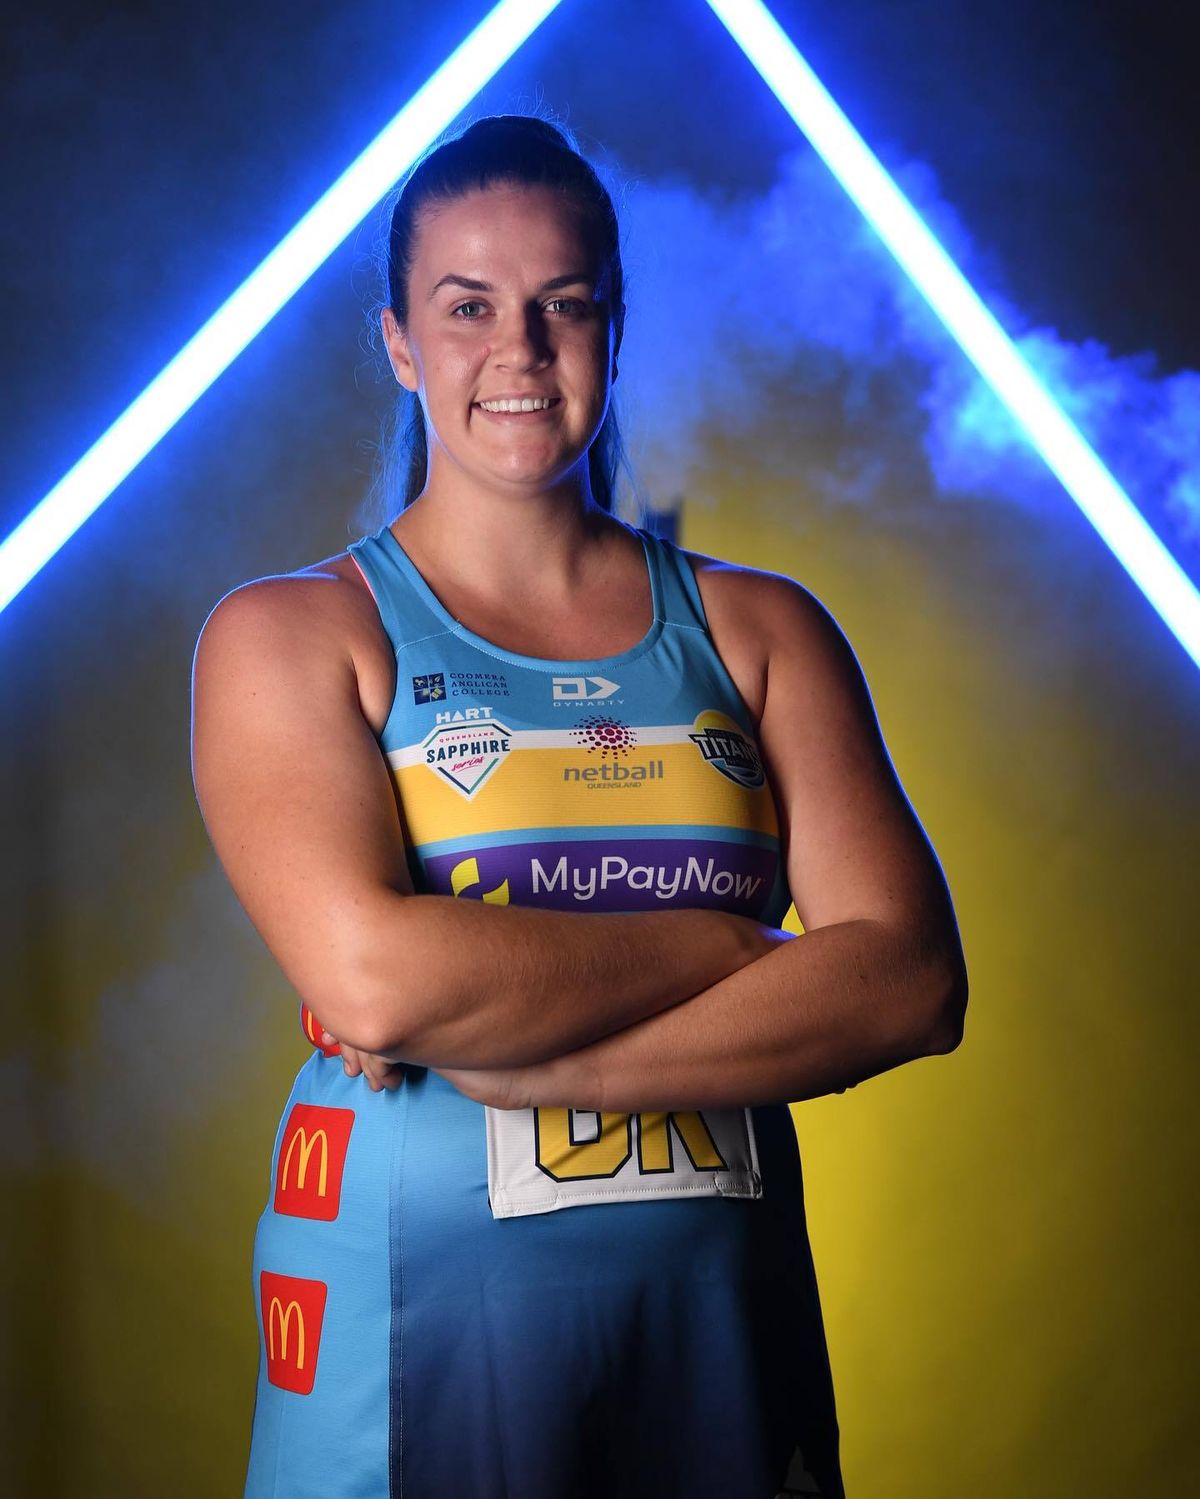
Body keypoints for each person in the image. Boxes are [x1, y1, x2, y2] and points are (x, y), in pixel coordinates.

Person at [190, 112, 967, 1499]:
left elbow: (909, 982)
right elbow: (375, 982)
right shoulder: (295, 634)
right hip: (415, 1324)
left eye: (564, 304)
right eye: (468, 307)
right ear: (399, 343)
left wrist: (546, 1063)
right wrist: (732, 950)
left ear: (615, 327)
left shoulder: (760, 629)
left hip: (720, 1326)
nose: (520, 349)